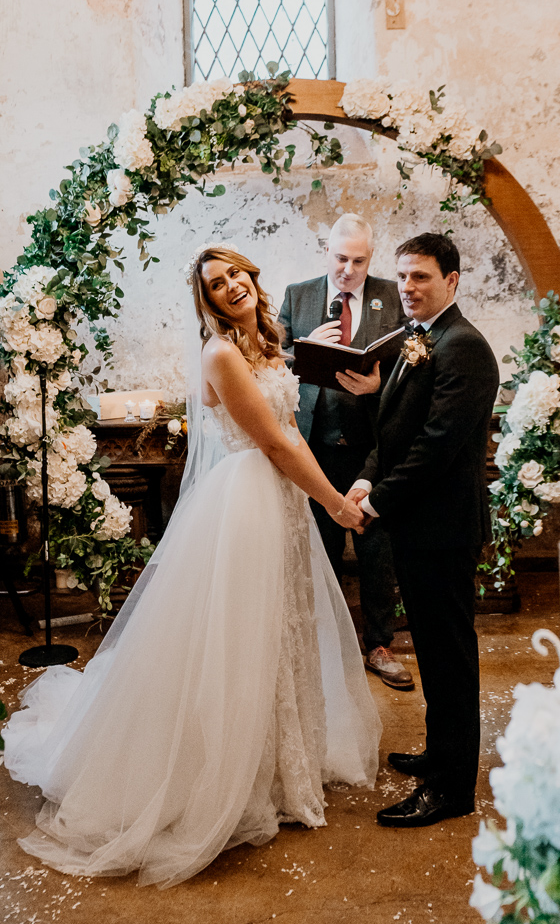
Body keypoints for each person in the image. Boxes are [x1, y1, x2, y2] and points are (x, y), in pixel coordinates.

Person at [3, 244, 381, 887]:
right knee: (240, 640)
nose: (231, 286)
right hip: (248, 501)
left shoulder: (265, 341)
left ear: (253, 279)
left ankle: (281, 767)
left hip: (281, 499)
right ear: (205, 301)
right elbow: (275, 440)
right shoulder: (221, 354)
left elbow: (290, 424)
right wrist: (335, 507)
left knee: (282, 628)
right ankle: (222, 777)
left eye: (236, 274)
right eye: (215, 283)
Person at [349, 232, 499, 828]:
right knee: (436, 653)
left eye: (422, 278)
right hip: (417, 528)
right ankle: (442, 753)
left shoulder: (463, 347)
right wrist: (366, 477)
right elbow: (397, 432)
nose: (408, 288)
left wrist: (376, 502)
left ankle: (451, 788)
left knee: (449, 658)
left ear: (452, 282)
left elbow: (437, 445)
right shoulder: (419, 339)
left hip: (442, 529)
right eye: (404, 277)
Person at [279, 214, 413, 691]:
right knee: (321, 547)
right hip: (316, 447)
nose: (348, 270)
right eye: (341, 258)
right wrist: (302, 350)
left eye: (358, 260)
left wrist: (381, 385)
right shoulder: (299, 295)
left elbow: (413, 366)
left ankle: (380, 645)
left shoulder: (393, 295)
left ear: (370, 259)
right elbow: (267, 362)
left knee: (378, 552)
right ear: (327, 252)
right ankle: (328, 645)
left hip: (374, 447)